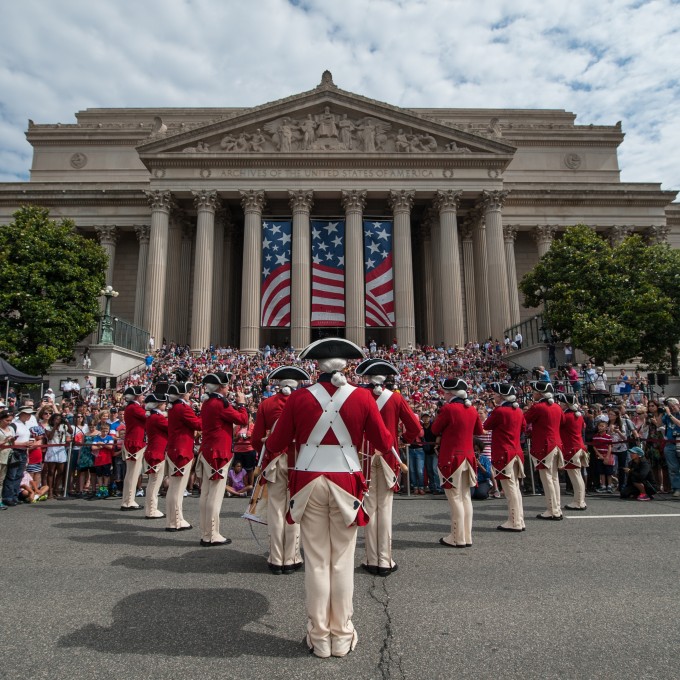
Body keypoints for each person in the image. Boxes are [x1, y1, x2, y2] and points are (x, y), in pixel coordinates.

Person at [264, 338, 393, 659]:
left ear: (315, 366)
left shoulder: (298, 398)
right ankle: (342, 632)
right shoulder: (362, 397)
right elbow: (383, 440)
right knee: (342, 562)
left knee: (318, 564)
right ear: (346, 366)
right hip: (347, 483)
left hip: (308, 482)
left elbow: (277, 441)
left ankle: (320, 636)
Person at [355, 358, 421, 576]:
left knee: (369, 508)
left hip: (363, 457)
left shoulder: (358, 396)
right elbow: (415, 427)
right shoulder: (395, 398)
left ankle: (371, 558)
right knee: (385, 509)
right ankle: (385, 559)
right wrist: (403, 439)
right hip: (388, 456)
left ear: (367, 377)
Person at [252, 366, 310, 575]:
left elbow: (256, 438)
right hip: (300, 460)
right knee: (295, 508)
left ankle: (276, 557)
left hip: (275, 459)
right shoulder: (305, 402)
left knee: (276, 509)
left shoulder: (266, 404)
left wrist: (267, 453)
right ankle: (292, 556)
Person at [197, 372, 248, 547]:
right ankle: (212, 534)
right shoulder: (219, 403)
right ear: (220, 387)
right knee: (215, 495)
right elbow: (243, 419)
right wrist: (241, 403)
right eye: (226, 386)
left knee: (206, 493)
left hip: (208, 451)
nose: (228, 388)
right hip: (219, 452)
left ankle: (206, 532)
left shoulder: (208, 402)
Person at [431, 378, 483, 547]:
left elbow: (434, 429)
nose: (444, 396)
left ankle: (456, 537)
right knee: (465, 497)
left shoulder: (448, 408)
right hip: (468, 456)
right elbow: (479, 431)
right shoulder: (472, 409)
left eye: (445, 393)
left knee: (455, 498)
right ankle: (467, 536)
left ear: (450, 393)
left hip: (452, 457)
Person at [484, 383, 527, 531]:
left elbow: (487, 425)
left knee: (510, 489)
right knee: (515, 487)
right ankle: (519, 519)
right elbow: (523, 427)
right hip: (516, 450)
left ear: (501, 396)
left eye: (496, 394)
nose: (494, 396)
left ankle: (514, 521)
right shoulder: (518, 411)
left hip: (504, 451)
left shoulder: (500, 411)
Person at [166, 374, 201, 532]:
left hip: (175, 448)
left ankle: (175, 518)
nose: (189, 394)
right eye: (187, 392)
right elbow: (197, 424)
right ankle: (174, 521)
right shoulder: (182, 407)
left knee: (175, 488)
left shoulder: (175, 407)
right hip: (182, 449)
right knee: (178, 488)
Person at [525, 381, 564, 520]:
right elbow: (562, 422)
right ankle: (557, 507)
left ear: (540, 393)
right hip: (556, 443)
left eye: (534, 392)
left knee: (547, 478)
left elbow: (525, 420)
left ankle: (552, 510)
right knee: (554, 477)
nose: (533, 394)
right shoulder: (557, 407)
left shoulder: (538, 407)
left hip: (544, 444)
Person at [558, 394, 588, 510]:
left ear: (566, 404)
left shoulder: (566, 416)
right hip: (579, 446)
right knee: (578, 475)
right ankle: (580, 500)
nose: (560, 404)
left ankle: (579, 501)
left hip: (571, 448)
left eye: (561, 402)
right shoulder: (578, 416)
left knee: (575, 476)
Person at [120, 386, 146, 511]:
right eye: (141, 395)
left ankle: (128, 499)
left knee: (131, 473)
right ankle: (128, 501)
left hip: (134, 441)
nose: (143, 397)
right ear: (136, 396)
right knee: (133, 473)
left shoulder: (132, 407)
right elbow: (148, 417)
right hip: (135, 442)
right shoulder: (134, 408)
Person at [143, 390, 168, 519]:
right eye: (163, 403)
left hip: (154, 451)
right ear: (158, 404)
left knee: (153, 482)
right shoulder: (157, 418)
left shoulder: (152, 417)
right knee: (154, 483)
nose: (165, 405)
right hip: (156, 453)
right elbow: (171, 427)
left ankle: (151, 508)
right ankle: (151, 509)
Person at [661, 398, 680, 499]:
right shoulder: (667, 416)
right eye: (670, 407)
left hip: (679, 442)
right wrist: (660, 412)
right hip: (670, 443)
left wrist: (670, 414)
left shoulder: (671, 415)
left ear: (678, 405)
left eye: (673, 406)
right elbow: (659, 424)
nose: (672, 408)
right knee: (673, 468)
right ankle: (676, 488)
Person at [91, 423, 115, 498]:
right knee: (99, 475)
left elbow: (110, 447)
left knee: (106, 475)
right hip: (98, 459)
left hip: (107, 459)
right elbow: (93, 448)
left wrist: (101, 444)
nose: (104, 432)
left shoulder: (110, 438)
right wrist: (102, 446)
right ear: (100, 431)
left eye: (106, 431)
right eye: (103, 431)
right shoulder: (96, 438)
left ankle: (105, 489)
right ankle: (101, 489)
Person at [592, 420, 615, 493]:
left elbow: (610, 447)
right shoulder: (595, 436)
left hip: (607, 455)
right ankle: (603, 485)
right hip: (599, 456)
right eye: (599, 426)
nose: (600, 427)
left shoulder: (608, 437)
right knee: (601, 471)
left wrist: (607, 457)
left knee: (609, 472)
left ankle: (610, 486)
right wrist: (599, 455)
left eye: (602, 426)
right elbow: (594, 447)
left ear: (606, 428)